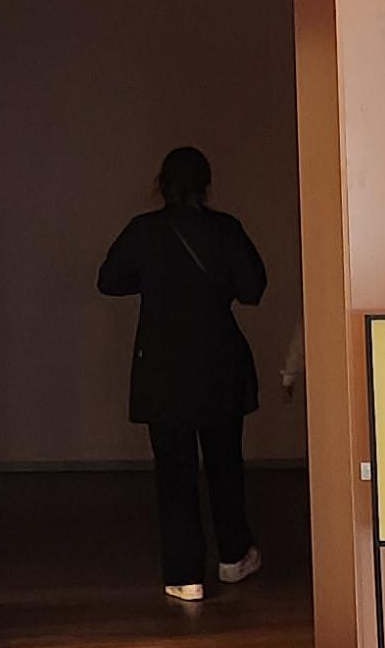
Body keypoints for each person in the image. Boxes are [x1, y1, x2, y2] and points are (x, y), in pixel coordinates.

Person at [96, 146, 269, 603]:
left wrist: (156, 281)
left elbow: (108, 280)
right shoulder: (226, 229)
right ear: (207, 186)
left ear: (160, 185)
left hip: (162, 368)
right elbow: (253, 289)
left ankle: (184, 574)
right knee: (225, 465)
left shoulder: (143, 231)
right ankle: (233, 556)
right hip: (219, 363)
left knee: (174, 473)